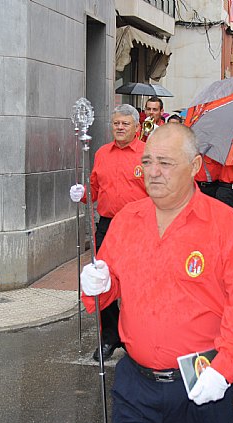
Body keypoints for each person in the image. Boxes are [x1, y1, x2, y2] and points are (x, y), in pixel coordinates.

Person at [80, 123, 233, 423]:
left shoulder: (226, 225)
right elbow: (107, 290)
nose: (153, 172)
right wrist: (99, 284)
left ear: (195, 166)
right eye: (147, 161)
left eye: (165, 163)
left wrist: (225, 368)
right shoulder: (126, 220)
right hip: (135, 386)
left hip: (203, 381)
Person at [69, 104, 148, 362]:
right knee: (102, 280)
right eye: (116, 123)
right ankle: (110, 335)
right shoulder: (102, 153)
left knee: (137, 283)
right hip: (108, 225)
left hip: (140, 227)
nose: (120, 127)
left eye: (125, 123)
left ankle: (137, 336)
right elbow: (94, 188)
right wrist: (82, 193)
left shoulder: (148, 154)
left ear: (137, 127)